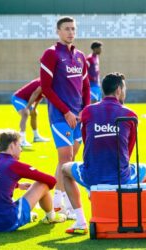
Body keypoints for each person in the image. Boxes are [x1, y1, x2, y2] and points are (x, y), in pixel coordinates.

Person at [62, 72, 146, 234]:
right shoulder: (129, 114)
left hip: (91, 175)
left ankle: (80, 221)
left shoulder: (87, 112)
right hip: (121, 177)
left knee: (65, 169)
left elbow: (88, 144)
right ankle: (132, 214)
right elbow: (128, 150)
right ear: (119, 90)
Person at [40, 16, 90, 218]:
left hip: (78, 117)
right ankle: (66, 204)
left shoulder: (80, 56)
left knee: (70, 160)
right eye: (66, 29)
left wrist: (83, 111)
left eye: (73, 29)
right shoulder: (51, 54)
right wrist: (66, 112)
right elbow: (46, 88)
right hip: (60, 116)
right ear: (58, 31)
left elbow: (86, 87)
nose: (71, 32)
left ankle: (59, 200)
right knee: (66, 158)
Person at [0, 129, 66, 232]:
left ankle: (27, 214)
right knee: (42, 184)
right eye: (19, 145)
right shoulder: (15, 165)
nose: (21, 150)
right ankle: (51, 216)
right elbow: (51, 180)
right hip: (7, 222)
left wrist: (18, 185)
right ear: (12, 145)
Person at [11, 78, 50, 147]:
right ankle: (21, 140)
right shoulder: (45, 80)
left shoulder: (50, 82)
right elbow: (35, 93)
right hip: (18, 98)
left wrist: (34, 108)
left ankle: (36, 137)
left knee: (34, 114)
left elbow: (40, 96)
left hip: (26, 100)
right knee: (25, 114)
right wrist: (27, 108)